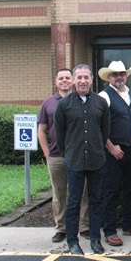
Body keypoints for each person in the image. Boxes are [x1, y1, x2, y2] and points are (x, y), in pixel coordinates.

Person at [54, 64, 110, 255]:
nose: (83, 81)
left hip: (97, 160)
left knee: (96, 201)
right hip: (75, 161)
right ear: (74, 80)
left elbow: (105, 132)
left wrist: (97, 148)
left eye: (87, 77)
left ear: (92, 80)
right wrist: (68, 153)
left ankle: (95, 239)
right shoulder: (64, 105)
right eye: (79, 78)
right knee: (73, 202)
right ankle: (72, 242)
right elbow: (59, 136)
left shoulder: (100, 103)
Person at [37, 68, 90, 243]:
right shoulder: (48, 103)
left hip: (78, 155)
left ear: (73, 81)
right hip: (56, 156)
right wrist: (46, 153)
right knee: (59, 193)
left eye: (68, 78)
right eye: (61, 78)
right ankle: (61, 228)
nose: (65, 81)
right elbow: (41, 130)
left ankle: (84, 226)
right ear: (56, 81)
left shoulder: (81, 100)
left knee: (82, 192)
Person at [97, 61, 131, 247]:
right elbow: (98, 126)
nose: (119, 77)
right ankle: (109, 230)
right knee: (111, 190)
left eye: (122, 74)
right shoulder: (103, 96)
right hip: (113, 152)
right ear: (109, 77)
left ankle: (129, 224)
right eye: (115, 74)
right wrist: (110, 147)